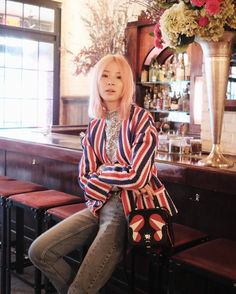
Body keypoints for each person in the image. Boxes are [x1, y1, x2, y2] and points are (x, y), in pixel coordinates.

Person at [28, 54, 177, 294]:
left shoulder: (142, 120)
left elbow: (137, 177)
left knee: (79, 290)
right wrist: (116, 175)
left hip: (130, 211)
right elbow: (85, 179)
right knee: (39, 251)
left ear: (126, 83)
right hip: (97, 205)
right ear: (97, 82)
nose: (110, 82)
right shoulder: (95, 125)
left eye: (118, 77)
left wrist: (103, 171)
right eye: (105, 76)